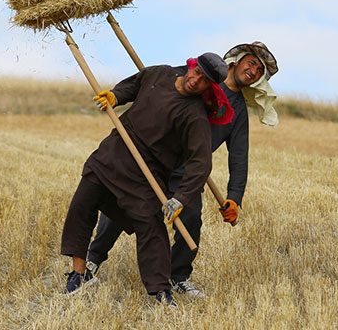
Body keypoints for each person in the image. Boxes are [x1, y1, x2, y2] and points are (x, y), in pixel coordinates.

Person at [85, 42, 280, 299]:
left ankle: (178, 277)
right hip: (157, 157)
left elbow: (239, 157)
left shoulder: (238, 112)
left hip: (189, 172)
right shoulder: (201, 75)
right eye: (252, 63)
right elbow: (147, 83)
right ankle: (92, 261)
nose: (254, 71)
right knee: (122, 209)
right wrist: (116, 96)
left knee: (190, 220)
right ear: (237, 61)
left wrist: (235, 196)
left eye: (259, 71)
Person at [60, 53, 228, 305]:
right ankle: (78, 274)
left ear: (209, 88)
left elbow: (200, 163)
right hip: (112, 154)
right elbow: (135, 84)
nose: (196, 81)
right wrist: (115, 95)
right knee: (82, 205)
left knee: (151, 228)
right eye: (197, 73)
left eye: (204, 81)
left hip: (146, 174)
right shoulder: (160, 73)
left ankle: (161, 292)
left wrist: (180, 198)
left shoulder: (195, 116)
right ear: (191, 66)